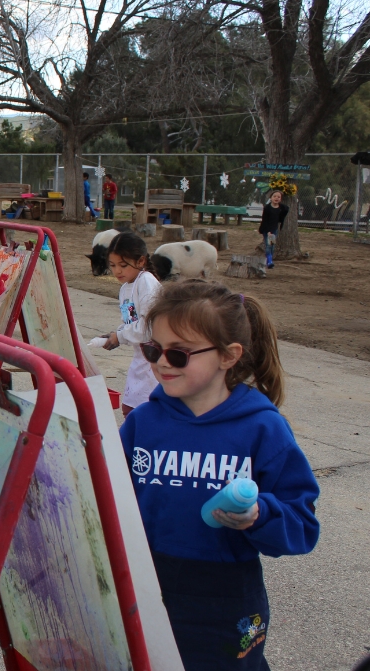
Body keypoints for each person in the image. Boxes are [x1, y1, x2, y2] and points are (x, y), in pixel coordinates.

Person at [121, 280, 319, 670]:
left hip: (225, 600)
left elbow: (302, 524)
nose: (161, 363)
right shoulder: (142, 423)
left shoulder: (263, 429)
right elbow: (106, 495)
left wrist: (259, 514)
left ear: (228, 356)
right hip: (145, 586)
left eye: (178, 355)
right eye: (153, 350)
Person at [102, 232, 162, 416]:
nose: (117, 271)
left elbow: (148, 327)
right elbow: (132, 322)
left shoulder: (147, 283)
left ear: (140, 261)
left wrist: (120, 336)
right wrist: (117, 334)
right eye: (112, 266)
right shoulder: (125, 288)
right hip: (140, 358)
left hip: (155, 359)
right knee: (129, 408)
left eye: (123, 265)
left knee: (143, 411)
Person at [258, 190, 287, 269]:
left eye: (278, 197)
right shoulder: (267, 208)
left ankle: (269, 260)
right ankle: (270, 261)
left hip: (274, 230)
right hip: (267, 229)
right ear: (270, 198)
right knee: (268, 245)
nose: (276, 198)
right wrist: (268, 232)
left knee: (272, 246)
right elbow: (265, 220)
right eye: (274, 196)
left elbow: (286, 209)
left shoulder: (281, 208)